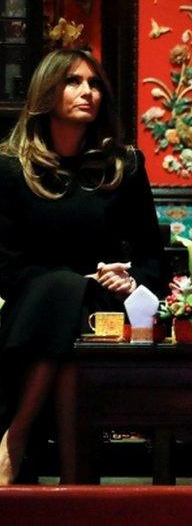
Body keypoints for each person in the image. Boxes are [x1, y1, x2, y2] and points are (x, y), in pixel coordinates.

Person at [0, 49, 167, 485]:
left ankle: (14, 438)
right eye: (74, 82)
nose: (87, 92)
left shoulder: (124, 166)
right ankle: (77, 482)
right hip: (30, 312)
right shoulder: (10, 168)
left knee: (72, 306)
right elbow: (5, 264)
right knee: (62, 294)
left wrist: (131, 281)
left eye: (94, 84)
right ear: (47, 91)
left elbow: (154, 256)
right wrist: (71, 283)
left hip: (106, 309)